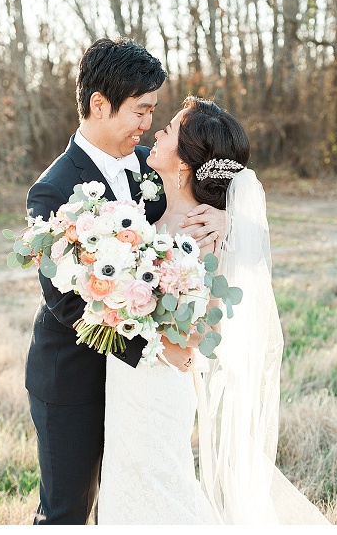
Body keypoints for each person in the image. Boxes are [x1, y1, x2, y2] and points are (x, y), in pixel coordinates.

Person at [97, 95, 330, 525]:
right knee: (126, 484)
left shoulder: (202, 232)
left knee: (162, 487)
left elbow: (206, 326)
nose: (157, 131)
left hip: (159, 383)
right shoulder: (154, 215)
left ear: (184, 163)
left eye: (169, 128)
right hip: (125, 384)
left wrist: (137, 324)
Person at [24, 37, 227, 525]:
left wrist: (221, 214)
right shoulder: (52, 190)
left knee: (124, 501)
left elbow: (196, 194)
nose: (148, 124)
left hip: (136, 387)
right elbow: (67, 303)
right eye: (141, 110)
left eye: (154, 111)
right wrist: (153, 349)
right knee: (68, 508)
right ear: (99, 104)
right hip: (73, 376)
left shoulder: (148, 167)